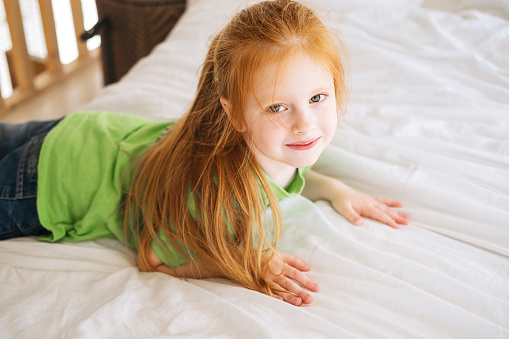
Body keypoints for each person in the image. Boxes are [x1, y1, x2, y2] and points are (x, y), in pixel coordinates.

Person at [0, 0, 409, 306]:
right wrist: (244, 262)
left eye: (318, 97)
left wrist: (334, 189)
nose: (304, 123)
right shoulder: (220, 194)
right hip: (41, 185)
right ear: (235, 114)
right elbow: (155, 259)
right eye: (277, 107)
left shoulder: (267, 147)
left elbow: (284, 175)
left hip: (76, 134)